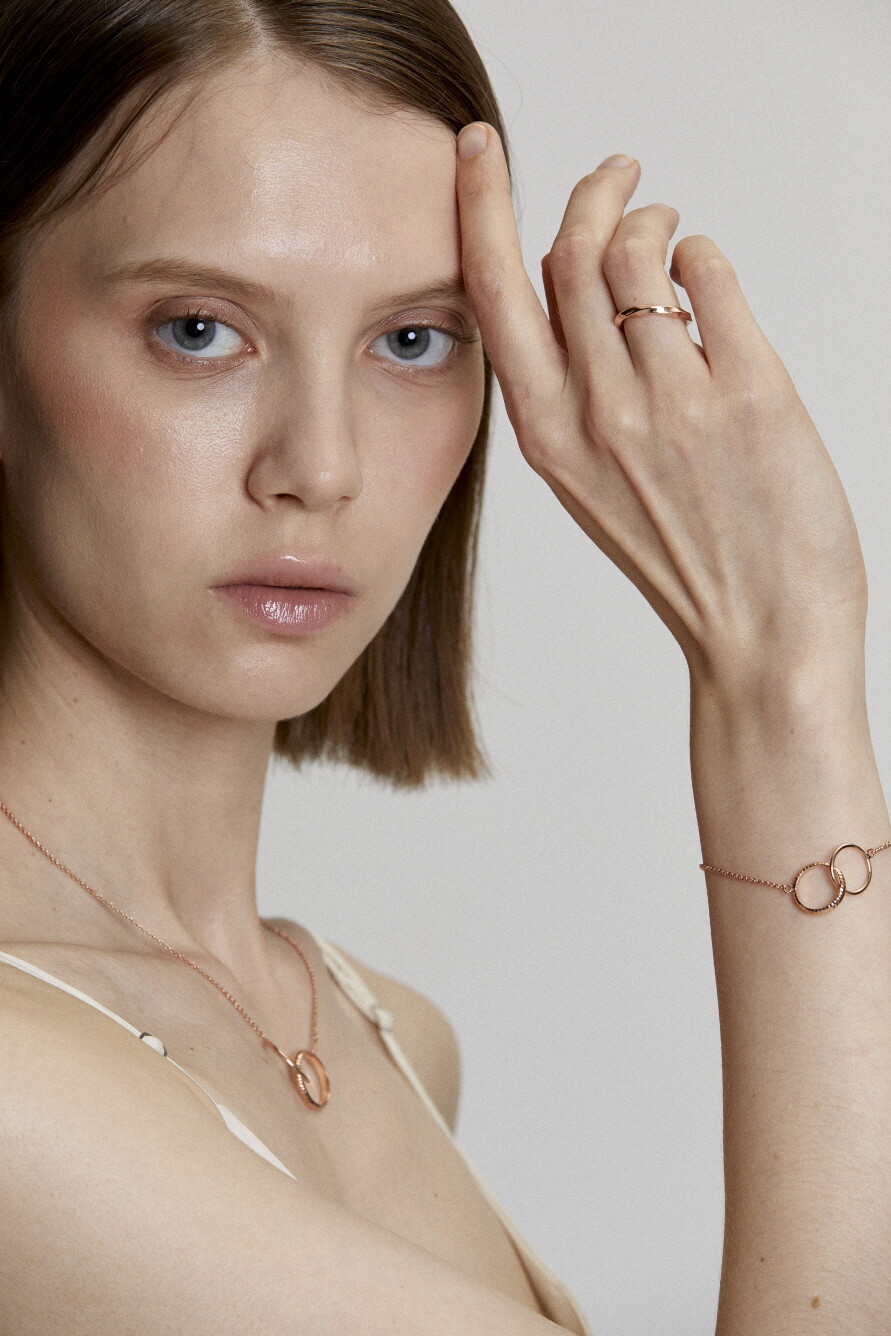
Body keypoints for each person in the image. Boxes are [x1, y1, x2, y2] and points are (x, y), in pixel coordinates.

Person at [0, 1, 888, 1332]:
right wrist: (781, 678)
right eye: (199, 329)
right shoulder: (16, 1098)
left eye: (413, 340)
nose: (321, 467)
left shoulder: (384, 1034)